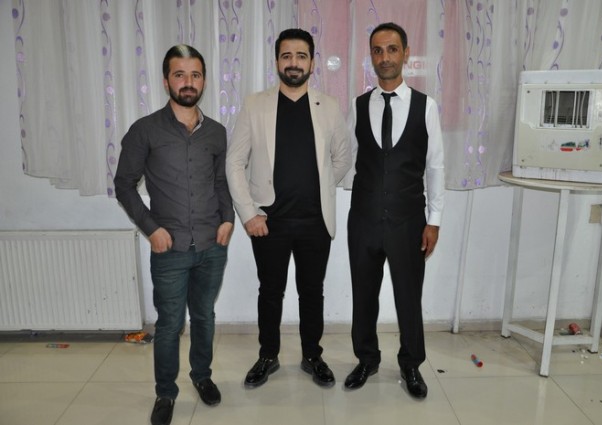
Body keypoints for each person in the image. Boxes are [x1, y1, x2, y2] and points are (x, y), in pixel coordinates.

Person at [114, 44, 234, 425]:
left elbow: (221, 182)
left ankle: (202, 376)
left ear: (204, 81)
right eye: (179, 75)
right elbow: (124, 185)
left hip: (212, 245)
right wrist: (151, 229)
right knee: (169, 325)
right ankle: (165, 392)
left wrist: (228, 219)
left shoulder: (216, 132)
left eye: (195, 75)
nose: (188, 82)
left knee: (204, 316)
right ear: (166, 81)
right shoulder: (145, 130)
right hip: (169, 248)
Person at [226, 28, 351, 389]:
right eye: (286, 56)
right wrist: (249, 213)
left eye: (301, 56)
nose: (293, 62)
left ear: (312, 62)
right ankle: (268, 355)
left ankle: (313, 356)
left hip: (315, 221)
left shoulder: (329, 106)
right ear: (277, 62)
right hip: (269, 222)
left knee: (312, 292)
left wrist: (320, 187)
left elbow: (343, 157)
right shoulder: (255, 105)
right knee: (270, 292)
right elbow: (234, 162)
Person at [344, 22, 445, 400]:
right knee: (363, 294)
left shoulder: (426, 106)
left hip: (408, 221)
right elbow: (348, 158)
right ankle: (366, 359)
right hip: (364, 219)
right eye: (377, 50)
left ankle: (411, 364)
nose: (384, 57)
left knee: (408, 296)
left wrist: (434, 220)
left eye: (391, 49)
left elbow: (436, 166)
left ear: (405, 53)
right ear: (371, 56)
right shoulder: (358, 106)